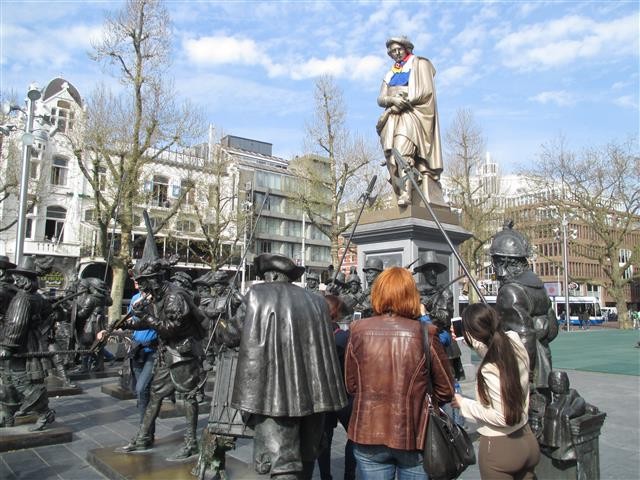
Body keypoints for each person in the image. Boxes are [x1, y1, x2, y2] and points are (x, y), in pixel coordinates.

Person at [221, 253, 347, 479]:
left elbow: (231, 335)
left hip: (273, 395)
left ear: (271, 275)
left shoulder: (256, 295)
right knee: (307, 455)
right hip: (314, 394)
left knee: (282, 462)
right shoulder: (317, 301)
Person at [345, 266, 454, 479]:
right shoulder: (426, 333)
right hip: (413, 434)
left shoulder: (357, 330)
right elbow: (446, 390)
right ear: (412, 296)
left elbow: (351, 385)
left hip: (368, 431)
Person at [452, 303, 540, 480]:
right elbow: (495, 345)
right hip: (527, 438)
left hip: (501, 447)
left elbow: (502, 416)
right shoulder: (514, 341)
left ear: (473, 335)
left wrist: (464, 404)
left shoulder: (489, 369)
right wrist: (471, 338)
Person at [376, 36, 443, 207]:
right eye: (392, 51)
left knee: (401, 152)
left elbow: (426, 91)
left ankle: (407, 194)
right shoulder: (390, 73)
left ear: (406, 48)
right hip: (392, 117)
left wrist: (405, 101)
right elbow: (381, 98)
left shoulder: (418, 64)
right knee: (391, 158)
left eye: (398, 49)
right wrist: (393, 101)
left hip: (411, 114)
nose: (396, 53)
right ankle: (399, 191)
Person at [0, 256, 56, 431]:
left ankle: (45, 412)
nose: (15, 280)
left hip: (20, 345)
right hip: (29, 342)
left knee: (20, 381)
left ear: (25, 279)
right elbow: (50, 314)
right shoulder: (37, 298)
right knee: (8, 378)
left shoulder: (22, 298)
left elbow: (17, 324)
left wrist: (7, 346)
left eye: (19, 277)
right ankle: (7, 415)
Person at [316, 295, 355, 480]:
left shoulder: (314, 336)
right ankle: (349, 475)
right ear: (336, 313)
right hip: (345, 395)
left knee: (324, 438)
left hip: (323, 396)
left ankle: (325, 476)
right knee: (354, 436)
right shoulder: (344, 337)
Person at [127, 280, 157, 432]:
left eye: (140, 280)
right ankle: (146, 430)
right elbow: (130, 321)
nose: (137, 283)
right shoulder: (135, 298)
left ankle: (144, 430)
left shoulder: (156, 299)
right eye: (135, 280)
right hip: (137, 348)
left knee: (141, 388)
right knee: (141, 393)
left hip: (153, 350)